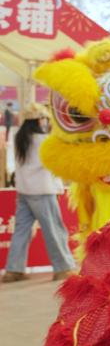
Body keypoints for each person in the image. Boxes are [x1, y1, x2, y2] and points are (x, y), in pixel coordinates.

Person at [2, 103, 76, 283]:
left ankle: (14, 270)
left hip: (24, 190)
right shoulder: (44, 140)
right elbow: (54, 164)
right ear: (39, 120)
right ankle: (63, 267)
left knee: (21, 231)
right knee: (54, 229)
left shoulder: (18, 138)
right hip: (42, 190)